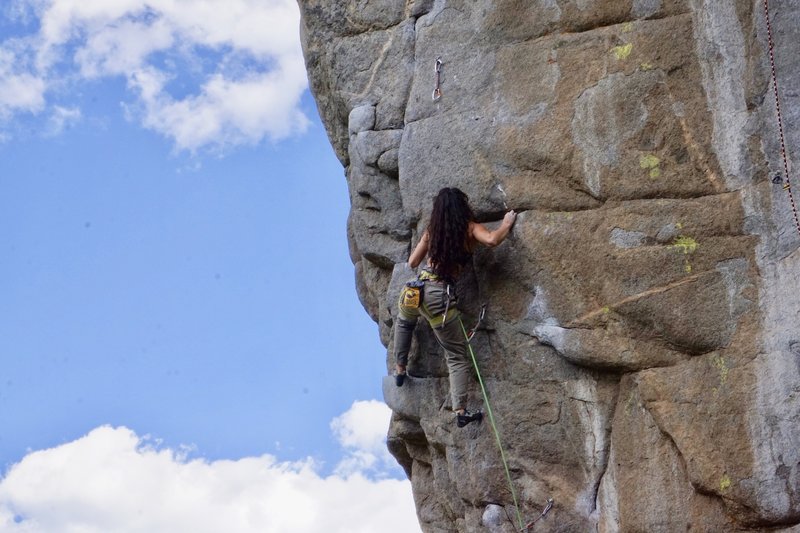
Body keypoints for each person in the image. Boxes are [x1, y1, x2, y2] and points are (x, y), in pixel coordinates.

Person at [393, 187, 517, 428]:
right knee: (457, 356)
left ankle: (399, 368)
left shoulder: (432, 231)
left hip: (415, 289)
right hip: (439, 296)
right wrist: (506, 223)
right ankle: (459, 410)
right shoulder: (469, 229)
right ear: (463, 207)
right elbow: (492, 240)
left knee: (404, 321)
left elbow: (412, 262)